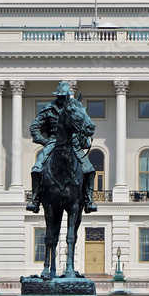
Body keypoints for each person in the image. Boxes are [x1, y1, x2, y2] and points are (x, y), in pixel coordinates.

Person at [27, 82, 98, 214]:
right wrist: (45, 141)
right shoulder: (48, 109)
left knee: (89, 169)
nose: (61, 99)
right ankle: (35, 199)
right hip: (53, 141)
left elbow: (82, 123)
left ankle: (88, 200)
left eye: (63, 97)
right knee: (37, 168)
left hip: (73, 142)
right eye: (59, 96)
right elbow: (35, 127)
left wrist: (82, 136)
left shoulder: (75, 107)